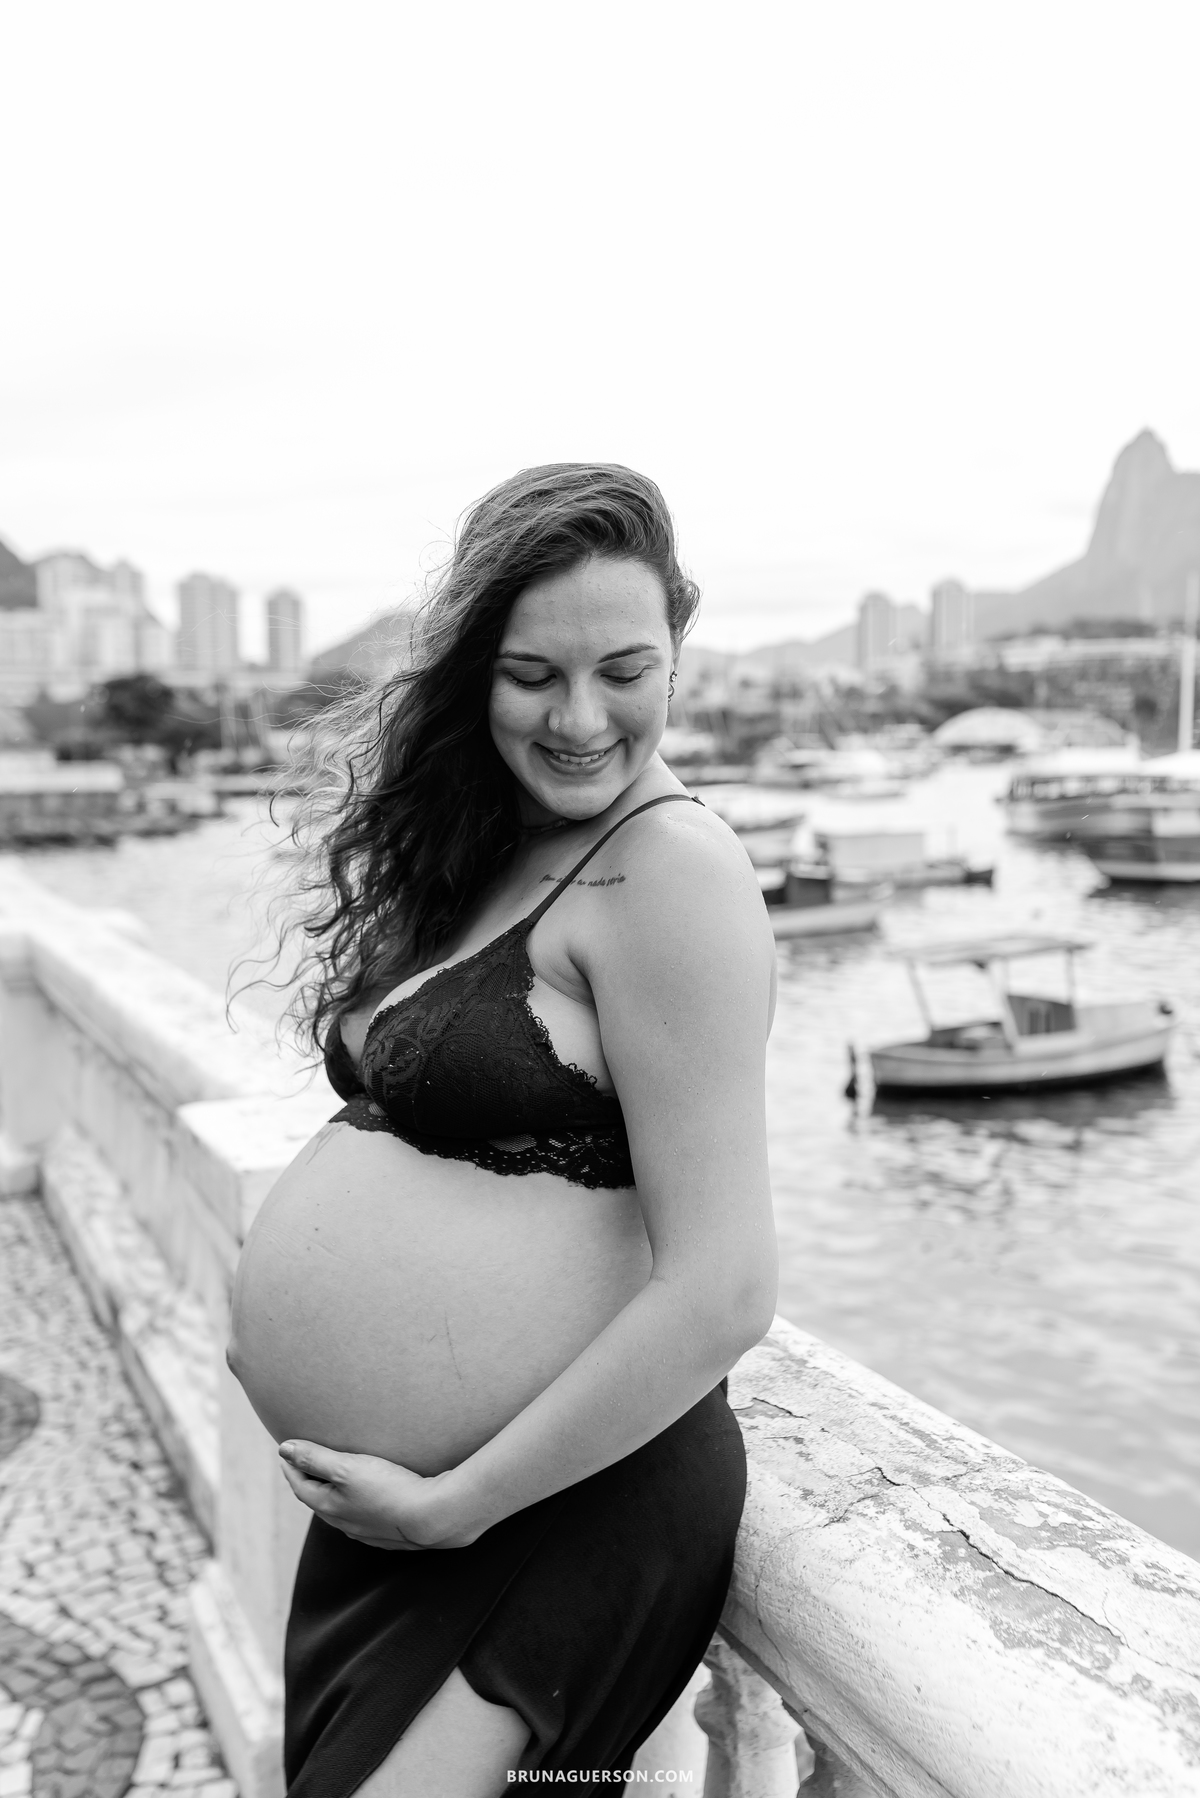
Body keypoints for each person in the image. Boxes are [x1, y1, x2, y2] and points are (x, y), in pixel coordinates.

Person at [227, 462, 778, 1796]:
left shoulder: (675, 871)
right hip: (405, 1523)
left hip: (543, 1516)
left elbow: (724, 1286)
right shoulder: (500, 843)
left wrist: (457, 1504)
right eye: (534, 672)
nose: (582, 716)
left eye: (624, 669)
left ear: (677, 653)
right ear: (475, 668)